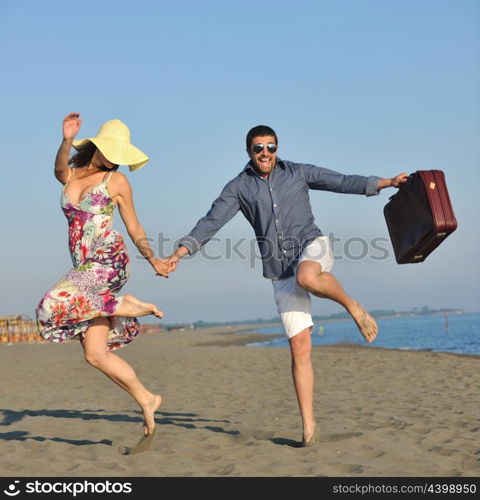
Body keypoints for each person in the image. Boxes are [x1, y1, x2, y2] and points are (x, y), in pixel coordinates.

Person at [165, 125, 408, 447]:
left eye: (271, 147)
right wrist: (179, 253)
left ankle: (354, 306)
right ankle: (309, 429)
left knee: (308, 276)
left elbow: (342, 181)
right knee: (299, 348)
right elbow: (212, 221)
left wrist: (387, 182)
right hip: (279, 270)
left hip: (312, 246)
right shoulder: (238, 187)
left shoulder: (298, 172)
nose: (265, 152)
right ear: (249, 151)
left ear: (277, 149)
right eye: (258, 148)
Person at [36, 113, 172, 439]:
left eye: (118, 155)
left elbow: (134, 226)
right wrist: (66, 139)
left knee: (49, 305)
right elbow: (58, 170)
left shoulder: (117, 182)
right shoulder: (72, 174)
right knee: (95, 354)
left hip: (108, 260)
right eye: (110, 150)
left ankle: (124, 305)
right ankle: (147, 399)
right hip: (84, 268)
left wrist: (152, 259)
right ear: (96, 145)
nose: (113, 159)